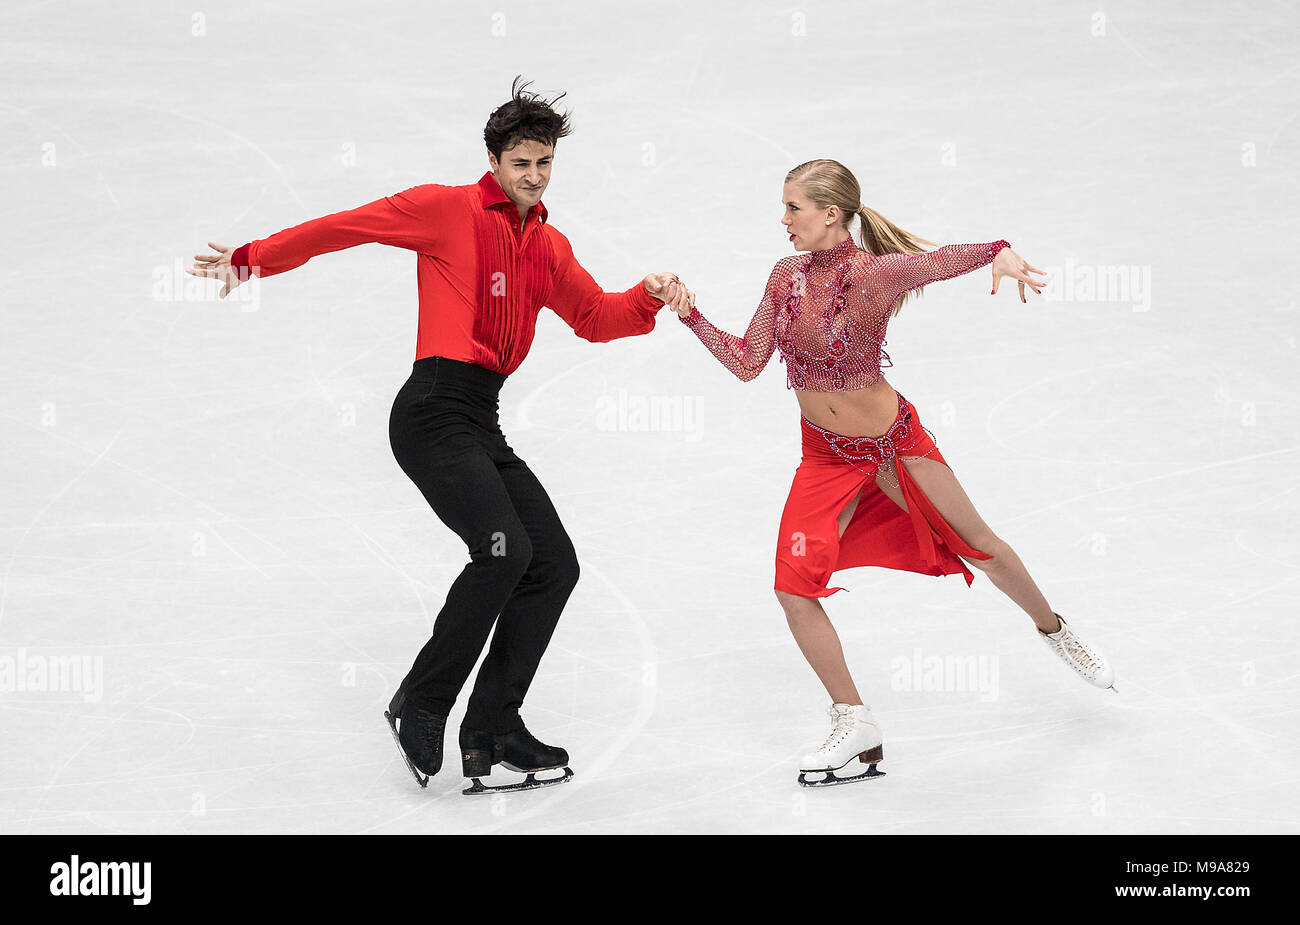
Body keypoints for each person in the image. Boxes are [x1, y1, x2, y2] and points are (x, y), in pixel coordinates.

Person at [186, 77, 691, 794]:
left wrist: (648, 295)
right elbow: (345, 225)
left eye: (544, 163)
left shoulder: (547, 245)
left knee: (553, 564)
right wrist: (252, 256)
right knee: (502, 549)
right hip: (429, 411)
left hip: (480, 419)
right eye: (521, 162)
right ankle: (419, 701)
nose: (533, 176)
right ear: (492, 160)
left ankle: (492, 727)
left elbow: (596, 317)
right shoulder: (445, 209)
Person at [666, 158, 1115, 787]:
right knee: (793, 585)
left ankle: (1056, 630)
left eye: (794, 207)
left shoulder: (877, 275)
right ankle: (854, 721)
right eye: (784, 206)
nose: (784, 219)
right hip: (823, 456)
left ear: (831, 213)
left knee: (981, 547)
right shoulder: (783, 277)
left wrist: (1000, 253)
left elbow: (945, 259)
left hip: (892, 447)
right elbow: (746, 363)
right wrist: (688, 312)